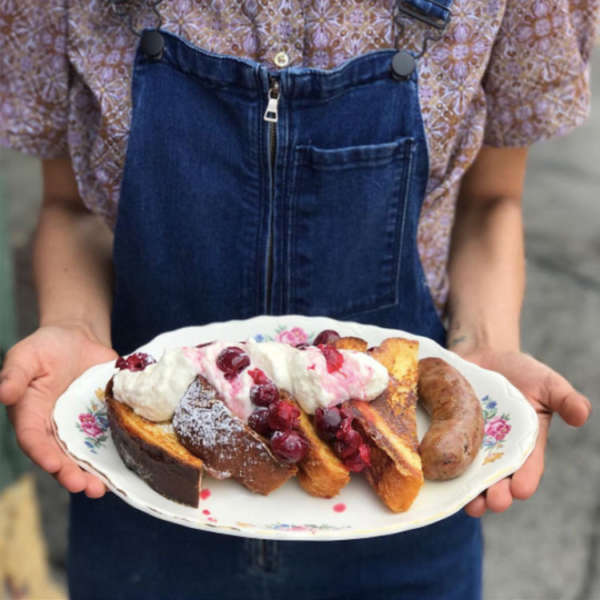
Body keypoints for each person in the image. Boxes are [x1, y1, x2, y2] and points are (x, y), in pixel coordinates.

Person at [0, 1, 597, 598]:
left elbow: (491, 200)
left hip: (399, 532)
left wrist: (485, 349)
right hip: (143, 498)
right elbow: (72, 206)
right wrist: (73, 325)